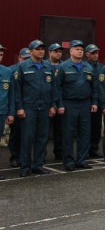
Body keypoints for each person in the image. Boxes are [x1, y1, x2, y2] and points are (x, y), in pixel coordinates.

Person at [14, 40, 58, 177]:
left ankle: (38, 165)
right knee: (27, 138)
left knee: (42, 138)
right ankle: (25, 166)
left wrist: (53, 105)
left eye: (42, 49)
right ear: (31, 51)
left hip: (45, 107)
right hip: (29, 108)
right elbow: (17, 89)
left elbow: (54, 89)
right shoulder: (22, 66)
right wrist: (19, 107)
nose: (40, 51)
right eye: (37, 49)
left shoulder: (48, 67)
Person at [54, 40, 98, 171]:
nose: (80, 51)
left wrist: (94, 102)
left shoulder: (88, 67)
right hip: (69, 103)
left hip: (85, 103)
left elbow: (94, 87)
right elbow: (58, 87)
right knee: (68, 133)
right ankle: (68, 161)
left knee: (85, 133)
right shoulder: (63, 67)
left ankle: (82, 159)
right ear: (71, 51)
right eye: (77, 48)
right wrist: (60, 104)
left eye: (81, 49)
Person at [7, 48, 30, 168]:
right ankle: (14, 157)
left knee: (26, 134)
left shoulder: (30, 68)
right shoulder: (11, 70)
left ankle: (24, 157)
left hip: (27, 106)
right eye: (25, 58)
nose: (26, 60)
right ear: (19, 58)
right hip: (14, 106)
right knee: (15, 133)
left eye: (28, 58)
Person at [45, 43, 64, 160]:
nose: (58, 53)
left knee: (60, 130)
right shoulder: (45, 66)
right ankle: (42, 155)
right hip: (47, 103)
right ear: (50, 53)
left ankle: (59, 152)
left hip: (61, 103)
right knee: (44, 132)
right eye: (56, 51)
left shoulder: (64, 66)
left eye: (60, 51)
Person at [85, 44, 104, 158]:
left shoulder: (101, 68)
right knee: (86, 128)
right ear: (87, 54)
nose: (96, 55)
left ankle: (94, 148)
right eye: (93, 53)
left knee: (96, 127)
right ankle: (85, 149)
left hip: (99, 101)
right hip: (87, 101)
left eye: (97, 53)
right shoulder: (84, 66)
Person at [0, 44, 14, 179]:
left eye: (1, 55)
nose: (0, 57)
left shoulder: (7, 72)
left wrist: (10, 112)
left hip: (1, 111)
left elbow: (11, 94)